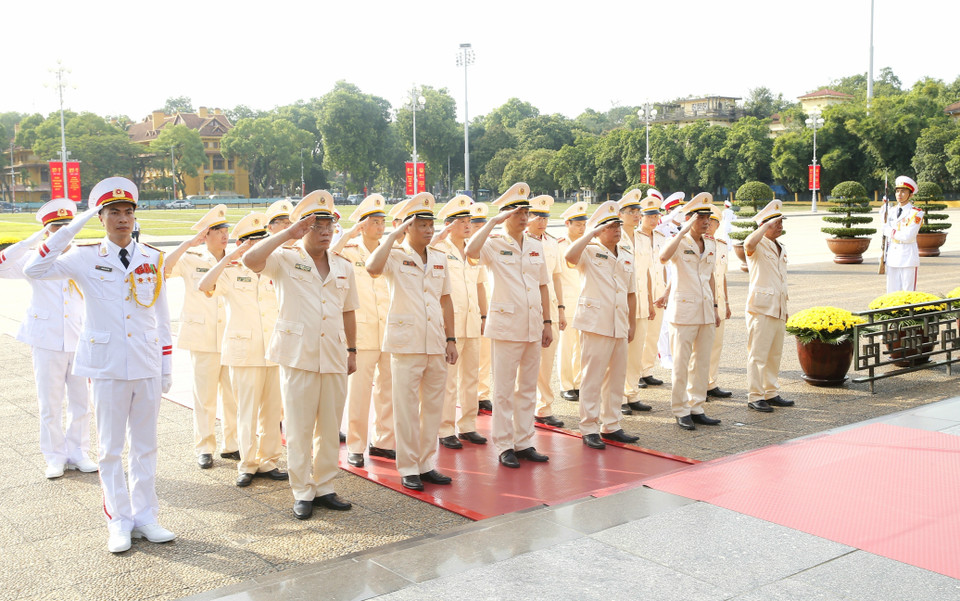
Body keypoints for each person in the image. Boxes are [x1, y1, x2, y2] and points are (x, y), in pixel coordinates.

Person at [25, 177, 175, 553]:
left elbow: (162, 315)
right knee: (110, 449)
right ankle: (119, 521)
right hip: (107, 365)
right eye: (113, 213)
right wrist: (72, 226)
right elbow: (34, 270)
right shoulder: (85, 255)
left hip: (145, 362)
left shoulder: (152, 257)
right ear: (101, 217)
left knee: (146, 446)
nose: (122, 219)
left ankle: (145, 517)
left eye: (128, 212)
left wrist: (166, 366)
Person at [243, 190, 358, 519]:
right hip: (298, 354)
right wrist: (286, 234)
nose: (325, 231)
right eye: (317, 224)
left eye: (329, 225)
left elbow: (349, 310)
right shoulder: (285, 258)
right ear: (303, 227)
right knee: (298, 426)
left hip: (335, 352)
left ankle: (324, 486)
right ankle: (302, 490)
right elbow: (251, 261)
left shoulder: (343, 266)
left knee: (330, 424)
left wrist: (353, 350)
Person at [365, 192, 458, 492]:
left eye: (431, 225)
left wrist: (451, 339)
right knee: (405, 409)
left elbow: (446, 301)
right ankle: (407, 467)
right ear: (407, 227)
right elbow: (371, 268)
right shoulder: (393, 254)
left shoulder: (440, 258)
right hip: (406, 345)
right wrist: (393, 234)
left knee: (433, 407)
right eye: (421, 225)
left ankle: (426, 463)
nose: (429, 231)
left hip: (435, 342)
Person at [1, 199, 95, 479]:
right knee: (50, 402)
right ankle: (54, 456)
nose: (62, 233)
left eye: (66, 227)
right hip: (46, 339)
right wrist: (30, 241)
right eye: (54, 228)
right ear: (46, 231)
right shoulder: (32, 259)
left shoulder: (83, 257)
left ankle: (78, 453)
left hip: (79, 339)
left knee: (82, 401)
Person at [466, 182, 553, 469]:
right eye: (518, 212)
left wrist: (547, 322)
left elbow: (542, 286)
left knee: (527, 387)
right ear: (505, 215)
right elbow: (470, 250)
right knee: (503, 390)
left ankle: (524, 441)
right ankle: (504, 445)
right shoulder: (492, 244)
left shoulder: (535, 245)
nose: (525, 217)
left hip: (531, 324)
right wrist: (491, 222)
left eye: (526, 212)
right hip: (505, 326)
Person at [198, 213, 287, 487]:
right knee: (246, 411)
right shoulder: (231, 270)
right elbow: (204, 285)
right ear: (242, 244)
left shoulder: (274, 269)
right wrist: (229, 257)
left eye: (262, 242)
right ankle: (247, 464)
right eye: (252, 242)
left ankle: (269, 460)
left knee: (273, 411)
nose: (257, 247)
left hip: (273, 349)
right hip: (244, 350)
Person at [163, 205, 239, 469]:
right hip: (203, 335)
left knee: (233, 396)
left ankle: (233, 445)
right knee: (204, 396)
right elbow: (163, 269)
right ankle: (205, 447)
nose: (223, 234)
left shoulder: (236, 258)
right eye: (217, 230)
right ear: (205, 235)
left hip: (231, 335)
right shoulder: (191, 258)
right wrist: (187, 243)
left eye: (225, 229)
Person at [564, 201, 640, 449]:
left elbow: (631, 293)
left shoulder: (627, 254)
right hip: (596, 323)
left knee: (616, 377)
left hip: (618, 323)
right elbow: (569, 256)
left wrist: (631, 324)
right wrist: (590, 234)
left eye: (618, 225)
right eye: (611, 226)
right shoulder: (589, 250)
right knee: (592, 377)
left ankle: (612, 425)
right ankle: (588, 427)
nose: (617, 230)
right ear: (599, 230)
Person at [332, 194, 397, 467]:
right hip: (362, 332)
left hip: (390, 330)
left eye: (382, 220)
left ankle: (383, 442)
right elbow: (327, 254)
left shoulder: (390, 250)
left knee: (388, 390)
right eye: (374, 221)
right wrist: (348, 234)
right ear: (362, 224)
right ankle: (356, 446)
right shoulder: (348, 250)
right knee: (359, 393)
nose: (380, 225)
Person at [658, 193, 722, 431]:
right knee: (681, 363)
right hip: (683, 310)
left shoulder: (711, 243)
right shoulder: (678, 242)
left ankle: (696, 406)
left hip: (705, 309)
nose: (705, 221)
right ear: (688, 219)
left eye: (707, 217)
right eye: (700, 217)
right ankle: (681, 409)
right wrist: (683, 231)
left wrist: (715, 307)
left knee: (702, 362)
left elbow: (711, 277)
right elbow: (664, 257)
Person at [432, 195, 488, 448]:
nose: (467, 225)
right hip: (450, 326)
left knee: (471, 378)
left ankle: (467, 426)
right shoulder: (439, 250)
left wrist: (485, 315)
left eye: (469, 220)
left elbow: (480, 286)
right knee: (448, 380)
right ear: (448, 224)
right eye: (461, 221)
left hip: (472, 321)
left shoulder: (473, 251)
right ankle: (445, 429)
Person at [744, 200, 792, 413]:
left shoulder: (780, 246)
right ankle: (755, 396)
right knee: (758, 354)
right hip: (762, 308)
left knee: (774, 353)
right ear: (765, 225)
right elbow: (747, 244)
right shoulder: (758, 243)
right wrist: (764, 225)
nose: (780, 226)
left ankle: (770, 391)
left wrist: (785, 307)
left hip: (778, 307)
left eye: (781, 222)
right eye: (777, 223)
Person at [526, 195, 565, 428]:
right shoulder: (518, 242)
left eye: (545, 217)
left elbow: (557, 276)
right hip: (528, 305)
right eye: (537, 217)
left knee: (547, 360)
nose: (542, 221)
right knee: (527, 361)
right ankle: (524, 406)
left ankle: (544, 407)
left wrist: (560, 308)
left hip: (548, 305)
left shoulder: (551, 242)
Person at [617, 189, 654, 414]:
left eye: (638, 211)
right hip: (621, 303)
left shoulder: (642, 238)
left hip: (640, 302)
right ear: (620, 214)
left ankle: (632, 394)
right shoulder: (614, 236)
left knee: (636, 353)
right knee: (620, 354)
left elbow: (647, 272)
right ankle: (618, 397)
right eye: (631, 211)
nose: (636, 215)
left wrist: (649, 300)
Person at [556, 202, 588, 402]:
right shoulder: (560, 245)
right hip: (567, 301)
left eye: (584, 224)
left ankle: (578, 383)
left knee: (581, 346)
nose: (582, 228)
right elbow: (557, 276)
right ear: (568, 224)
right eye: (577, 224)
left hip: (585, 301)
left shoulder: (587, 244)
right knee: (566, 347)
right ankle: (566, 385)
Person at [706, 205, 733, 399]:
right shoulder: (695, 244)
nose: (708, 226)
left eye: (713, 222)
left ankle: (710, 382)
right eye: (706, 222)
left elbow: (722, 276)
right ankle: (696, 386)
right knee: (699, 349)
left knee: (716, 345)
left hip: (720, 302)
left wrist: (728, 303)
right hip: (703, 302)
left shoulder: (722, 245)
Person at [471, 202, 494, 414]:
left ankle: (482, 394)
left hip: (488, 308)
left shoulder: (495, 245)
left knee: (484, 355)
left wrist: (485, 315)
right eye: (474, 225)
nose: (479, 229)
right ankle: (469, 398)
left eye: (482, 225)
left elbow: (481, 285)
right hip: (466, 312)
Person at [883, 176, 924, 293]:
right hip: (892, 256)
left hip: (907, 257)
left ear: (910, 194)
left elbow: (908, 236)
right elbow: (885, 235)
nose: (899, 194)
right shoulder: (890, 211)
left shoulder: (916, 213)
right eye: (897, 191)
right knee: (891, 292)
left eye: (903, 191)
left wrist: (890, 232)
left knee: (908, 293)